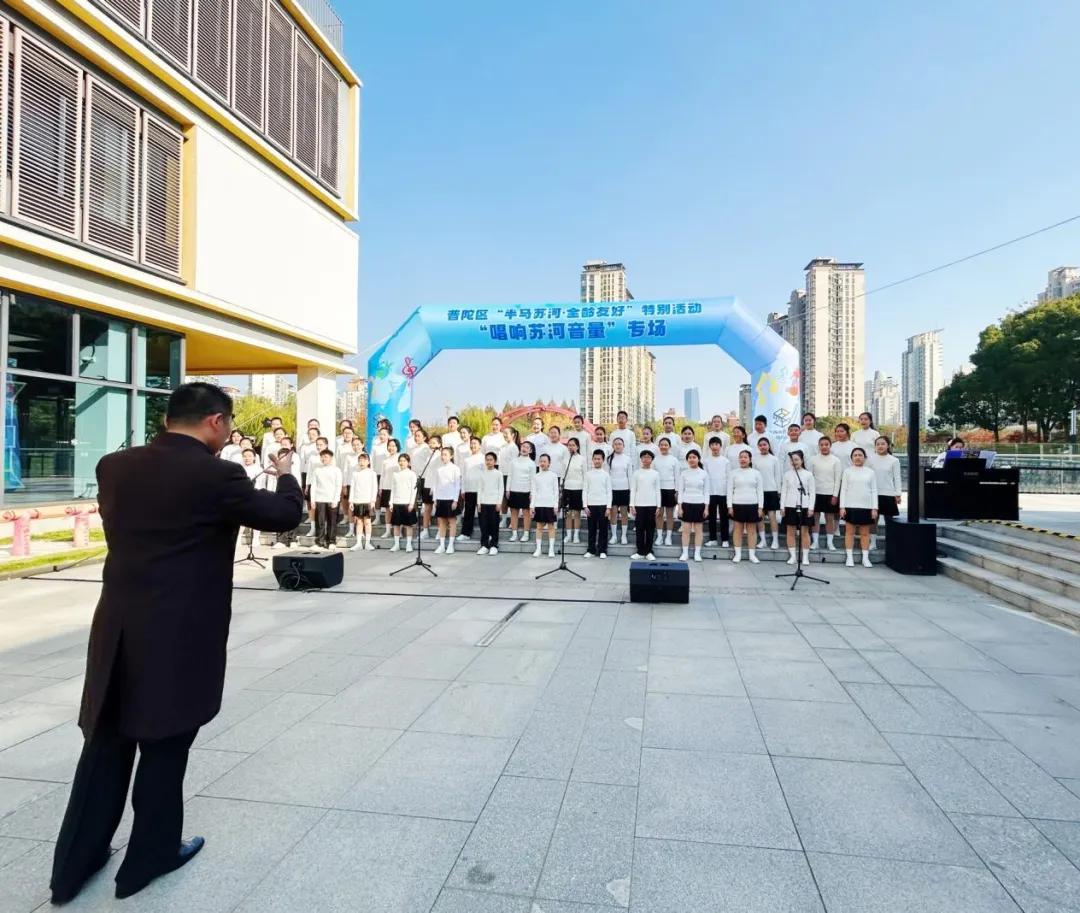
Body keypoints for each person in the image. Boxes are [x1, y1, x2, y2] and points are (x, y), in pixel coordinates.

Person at [50, 383, 302, 905]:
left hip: (117, 628)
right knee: (164, 746)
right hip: (179, 634)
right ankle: (149, 858)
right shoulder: (218, 475)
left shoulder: (114, 467)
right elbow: (282, 515)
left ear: (167, 420)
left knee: (105, 744)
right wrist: (285, 474)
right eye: (228, 424)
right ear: (215, 421)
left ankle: (72, 869)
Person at [840, 447, 879, 567]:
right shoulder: (847, 471)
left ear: (864, 458)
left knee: (865, 533)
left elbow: (874, 490)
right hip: (850, 506)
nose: (857, 457)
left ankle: (865, 558)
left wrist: (874, 508)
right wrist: (842, 507)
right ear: (851, 458)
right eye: (855, 455)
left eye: (860, 455)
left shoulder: (870, 472)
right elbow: (843, 489)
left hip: (866, 506)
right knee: (849, 532)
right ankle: (849, 557)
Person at [727, 449, 763, 563]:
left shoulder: (756, 473)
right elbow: (729, 490)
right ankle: (737, 554)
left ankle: (752, 555)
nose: (743, 459)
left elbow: (760, 491)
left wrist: (760, 507)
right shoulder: (733, 473)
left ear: (750, 459)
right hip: (737, 504)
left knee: (752, 530)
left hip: (753, 504)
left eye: (745, 457)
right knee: (738, 530)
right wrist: (729, 506)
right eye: (741, 457)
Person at [781, 449, 816, 566]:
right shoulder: (787, 474)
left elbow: (812, 492)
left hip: (804, 505)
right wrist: (782, 506)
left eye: (796, 459)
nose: (794, 462)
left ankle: (805, 557)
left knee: (804, 532)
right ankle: (793, 556)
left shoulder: (808, 474)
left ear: (802, 460)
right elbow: (784, 491)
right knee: (790, 531)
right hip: (789, 505)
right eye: (792, 460)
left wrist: (811, 508)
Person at [868, 435, 902, 549]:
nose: (880, 446)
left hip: (888, 494)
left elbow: (897, 478)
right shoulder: (870, 459)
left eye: (883, 444)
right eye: (878, 444)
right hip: (874, 494)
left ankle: (891, 543)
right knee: (873, 520)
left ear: (888, 445)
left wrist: (898, 494)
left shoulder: (894, 460)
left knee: (889, 520)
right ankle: (873, 543)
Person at [809, 436, 842, 551]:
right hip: (816, 493)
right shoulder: (813, 459)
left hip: (830, 493)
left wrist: (835, 495)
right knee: (815, 518)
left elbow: (837, 479)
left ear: (830, 446)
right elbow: (810, 478)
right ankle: (815, 542)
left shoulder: (836, 460)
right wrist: (810, 494)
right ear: (818, 446)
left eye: (826, 444)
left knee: (829, 519)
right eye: (821, 445)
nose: (824, 447)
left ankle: (830, 543)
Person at [677, 447, 709, 562]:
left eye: (694, 457)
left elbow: (706, 492)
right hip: (686, 504)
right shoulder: (684, 473)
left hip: (700, 504)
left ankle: (697, 553)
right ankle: (685, 553)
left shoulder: (704, 474)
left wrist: (706, 508)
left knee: (698, 530)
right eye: (689, 457)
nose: (692, 459)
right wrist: (679, 507)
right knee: (686, 529)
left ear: (698, 459)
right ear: (687, 460)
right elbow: (681, 491)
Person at [630, 450, 660, 561]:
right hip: (639, 504)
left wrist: (658, 506)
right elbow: (633, 489)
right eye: (644, 457)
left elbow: (657, 490)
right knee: (639, 529)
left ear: (652, 459)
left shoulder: (655, 473)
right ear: (641, 459)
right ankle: (640, 551)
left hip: (651, 504)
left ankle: (648, 551)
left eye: (648, 457)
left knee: (650, 529)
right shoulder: (636, 473)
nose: (646, 459)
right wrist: (632, 504)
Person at [310, 449, 342, 550]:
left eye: (326, 457)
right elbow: (314, 485)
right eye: (322, 457)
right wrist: (313, 500)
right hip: (320, 498)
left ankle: (331, 541)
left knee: (332, 521)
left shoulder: (336, 470)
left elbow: (338, 486)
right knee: (320, 521)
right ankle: (319, 542)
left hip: (332, 499)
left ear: (331, 458)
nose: (323, 459)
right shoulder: (317, 470)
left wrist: (335, 500)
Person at [583, 449, 613, 559]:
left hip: (603, 505)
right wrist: (585, 505)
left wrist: (608, 507)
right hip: (591, 505)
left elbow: (609, 491)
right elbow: (585, 490)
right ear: (592, 460)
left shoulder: (606, 475)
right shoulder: (588, 474)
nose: (597, 461)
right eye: (595, 459)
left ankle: (602, 550)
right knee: (591, 528)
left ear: (603, 460)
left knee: (603, 529)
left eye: (599, 459)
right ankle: (591, 550)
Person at [432, 446, 462, 554]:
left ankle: (451, 544)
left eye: (445, 454)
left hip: (450, 498)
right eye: (442, 454)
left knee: (452, 521)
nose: (443, 456)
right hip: (440, 498)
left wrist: (455, 500)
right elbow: (435, 484)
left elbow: (457, 485)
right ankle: (442, 544)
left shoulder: (455, 468)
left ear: (451, 456)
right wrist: (435, 498)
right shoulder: (439, 469)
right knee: (442, 521)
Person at [754, 437, 782, 550]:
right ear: (758, 447)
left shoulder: (774, 459)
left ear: (768, 445)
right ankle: (763, 540)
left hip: (771, 491)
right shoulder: (755, 459)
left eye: (764, 444)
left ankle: (775, 540)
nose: (763, 447)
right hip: (759, 491)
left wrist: (778, 491)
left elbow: (778, 475)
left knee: (772, 516)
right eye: (760, 445)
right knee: (759, 516)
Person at [507, 441, 537, 542]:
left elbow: (533, 480)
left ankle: (526, 534)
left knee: (526, 513)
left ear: (530, 451)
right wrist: (508, 489)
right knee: (514, 512)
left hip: (526, 491)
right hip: (514, 490)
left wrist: (532, 493)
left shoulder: (532, 464)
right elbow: (510, 475)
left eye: (527, 447)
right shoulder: (514, 461)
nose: (524, 449)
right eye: (523, 446)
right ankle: (514, 534)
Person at [530, 453, 560, 558]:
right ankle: (538, 549)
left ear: (549, 463)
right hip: (539, 504)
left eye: (544, 461)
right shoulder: (536, 476)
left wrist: (556, 505)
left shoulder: (553, 476)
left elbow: (556, 491)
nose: (542, 463)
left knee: (551, 526)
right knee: (539, 526)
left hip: (550, 504)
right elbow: (533, 492)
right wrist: (532, 506)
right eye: (541, 461)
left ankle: (551, 549)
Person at [347, 452, 378, 551]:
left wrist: (373, 500)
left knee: (367, 521)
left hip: (368, 500)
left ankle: (368, 543)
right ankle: (359, 543)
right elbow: (352, 488)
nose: (361, 462)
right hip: (357, 500)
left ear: (368, 462)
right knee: (359, 521)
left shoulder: (372, 473)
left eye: (364, 460)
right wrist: (351, 501)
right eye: (360, 460)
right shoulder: (355, 473)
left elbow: (374, 487)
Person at [388, 452, 418, 553]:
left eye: (404, 461)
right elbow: (393, 488)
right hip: (397, 502)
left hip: (407, 503)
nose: (402, 463)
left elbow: (414, 490)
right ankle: (396, 544)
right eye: (400, 461)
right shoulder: (395, 474)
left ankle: (409, 544)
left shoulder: (411, 474)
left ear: (408, 462)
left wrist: (411, 503)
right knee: (396, 525)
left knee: (409, 525)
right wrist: (391, 502)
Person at [653, 437, 680, 546]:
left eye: (666, 445)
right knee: (659, 514)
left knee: (669, 514)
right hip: (658, 489)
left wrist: (677, 491)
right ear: (659, 446)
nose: (663, 447)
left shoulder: (674, 460)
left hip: (670, 489)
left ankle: (668, 537)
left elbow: (677, 477)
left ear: (670, 447)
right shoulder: (655, 459)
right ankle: (659, 536)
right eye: (661, 445)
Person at [703, 437, 730, 547]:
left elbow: (728, 477)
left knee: (724, 517)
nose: (714, 447)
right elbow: (705, 477)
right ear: (709, 447)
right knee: (711, 517)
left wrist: (728, 493)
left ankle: (725, 539)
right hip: (710, 493)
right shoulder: (706, 461)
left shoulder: (726, 461)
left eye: (716, 444)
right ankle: (713, 539)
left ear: (720, 446)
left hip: (723, 493)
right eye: (712, 444)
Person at [476, 451, 504, 555]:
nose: (488, 462)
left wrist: (499, 502)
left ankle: (494, 545)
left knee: (494, 525)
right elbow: (479, 488)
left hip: (494, 503)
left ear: (495, 461)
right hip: (483, 502)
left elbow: (501, 489)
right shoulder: (482, 473)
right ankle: (484, 545)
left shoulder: (498, 473)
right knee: (484, 525)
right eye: (487, 460)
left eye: (491, 460)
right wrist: (478, 503)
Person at [457, 436, 484, 541]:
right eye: (471, 444)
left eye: (475, 443)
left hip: (481, 490)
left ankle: (485, 533)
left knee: (483, 513)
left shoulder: (483, 458)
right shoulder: (467, 459)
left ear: (480, 446)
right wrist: (463, 489)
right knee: (468, 512)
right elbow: (463, 475)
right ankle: (466, 533)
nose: (472, 445)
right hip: (469, 489)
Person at [607, 437, 633, 545]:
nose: (617, 446)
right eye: (616, 444)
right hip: (612, 489)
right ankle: (614, 536)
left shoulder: (627, 459)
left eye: (620, 444)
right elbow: (607, 475)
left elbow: (630, 475)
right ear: (613, 446)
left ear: (623, 446)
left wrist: (631, 490)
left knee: (624, 513)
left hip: (624, 489)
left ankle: (623, 535)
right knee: (613, 512)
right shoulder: (609, 459)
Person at [562, 437, 586, 543]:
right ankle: (568, 535)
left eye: (573, 445)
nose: (571, 447)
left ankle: (576, 535)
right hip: (567, 488)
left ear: (577, 447)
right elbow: (563, 474)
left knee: (576, 513)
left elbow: (585, 475)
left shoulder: (582, 459)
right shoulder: (565, 459)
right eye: (569, 445)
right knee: (567, 513)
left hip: (578, 488)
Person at [419, 433, 442, 538]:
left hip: (437, 485)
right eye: (430, 442)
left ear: (439, 444)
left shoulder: (441, 455)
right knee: (427, 508)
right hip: (427, 484)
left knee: (438, 508)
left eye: (434, 443)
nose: (431, 444)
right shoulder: (427, 454)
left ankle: (440, 530)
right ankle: (425, 530)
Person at [377, 439, 401, 538]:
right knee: (388, 509)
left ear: (397, 447)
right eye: (389, 446)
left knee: (398, 509)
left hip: (398, 487)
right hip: (387, 487)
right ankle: (388, 531)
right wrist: (380, 488)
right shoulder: (385, 460)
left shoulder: (400, 458)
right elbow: (383, 475)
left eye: (393, 446)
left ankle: (399, 530)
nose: (391, 448)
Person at [499, 427, 521, 527]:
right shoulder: (502, 446)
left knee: (511, 499)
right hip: (502, 474)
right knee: (503, 498)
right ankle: (503, 520)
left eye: (506, 433)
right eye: (503, 433)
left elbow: (515, 464)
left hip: (510, 475)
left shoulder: (514, 448)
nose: (504, 435)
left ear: (513, 435)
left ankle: (513, 521)